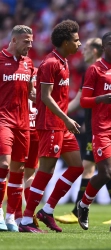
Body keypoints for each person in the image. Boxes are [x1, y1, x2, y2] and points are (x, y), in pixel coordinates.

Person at [19, 19, 83, 233]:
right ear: (65, 42)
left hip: (62, 125)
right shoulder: (50, 64)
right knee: (45, 170)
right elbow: (44, 97)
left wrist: (65, 121)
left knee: (77, 167)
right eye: (76, 40)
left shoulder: (63, 62)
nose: (79, 43)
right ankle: (27, 220)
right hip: (50, 125)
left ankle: (47, 210)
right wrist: (66, 118)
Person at [54, 38, 111, 225]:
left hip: (99, 128)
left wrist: (60, 113)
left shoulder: (97, 69)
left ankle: (78, 211)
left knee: (94, 168)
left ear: (97, 50)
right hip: (95, 125)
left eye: (87, 48)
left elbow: (81, 99)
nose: (83, 50)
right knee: (104, 169)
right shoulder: (96, 69)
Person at [77, 32, 111, 232]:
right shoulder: (94, 70)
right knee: (106, 173)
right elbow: (83, 100)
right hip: (102, 130)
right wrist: (101, 98)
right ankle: (83, 204)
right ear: (103, 48)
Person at [0, 25, 35, 232]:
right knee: (3, 164)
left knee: (19, 170)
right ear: (13, 41)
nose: (30, 45)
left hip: (23, 125)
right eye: (26, 41)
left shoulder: (29, 63)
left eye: (31, 41)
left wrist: (35, 94)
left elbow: (30, 91)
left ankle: (11, 215)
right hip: (3, 120)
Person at [14, 67, 39, 229]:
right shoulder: (41, 74)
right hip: (34, 129)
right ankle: (26, 216)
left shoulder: (13, 75)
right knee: (28, 175)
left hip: (21, 128)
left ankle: (17, 216)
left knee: (14, 173)